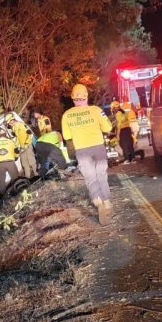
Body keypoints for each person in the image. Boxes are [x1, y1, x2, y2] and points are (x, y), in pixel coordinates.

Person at [62, 83, 113, 225]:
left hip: (82, 150)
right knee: (101, 174)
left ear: (73, 98)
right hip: (98, 147)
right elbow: (108, 127)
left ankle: (97, 201)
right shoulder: (96, 110)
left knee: (90, 178)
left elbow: (66, 136)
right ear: (86, 96)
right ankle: (107, 201)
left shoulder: (67, 115)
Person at [0, 130, 20, 196]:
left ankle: (3, 195)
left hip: (0, 164)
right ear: (5, 134)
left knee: (1, 179)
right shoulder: (10, 142)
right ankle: (17, 189)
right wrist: (16, 157)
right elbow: (16, 150)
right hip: (10, 162)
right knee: (15, 177)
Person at [8, 113, 38, 178]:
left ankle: (36, 173)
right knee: (25, 163)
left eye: (9, 122)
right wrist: (15, 145)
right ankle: (28, 177)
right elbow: (18, 138)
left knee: (31, 161)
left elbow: (29, 134)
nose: (9, 124)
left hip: (27, 145)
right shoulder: (14, 128)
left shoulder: (22, 125)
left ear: (12, 120)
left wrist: (27, 143)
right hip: (22, 147)